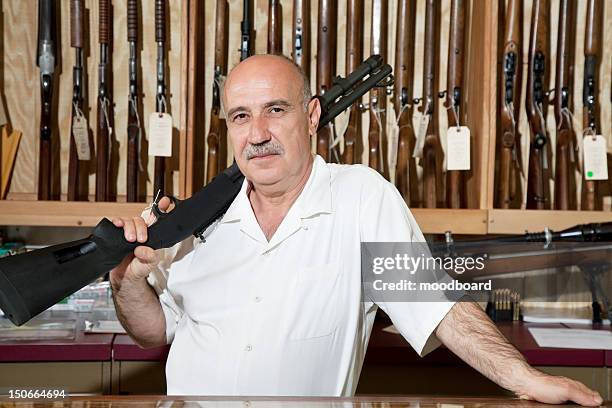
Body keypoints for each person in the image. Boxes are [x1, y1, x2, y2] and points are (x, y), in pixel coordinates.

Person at [109, 54, 602, 405]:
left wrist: (524, 377)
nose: (257, 133)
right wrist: (126, 280)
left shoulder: (362, 198)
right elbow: (154, 331)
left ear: (312, 116)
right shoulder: (199, 217)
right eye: (241, 116)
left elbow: (437, 307)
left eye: (275, 110)